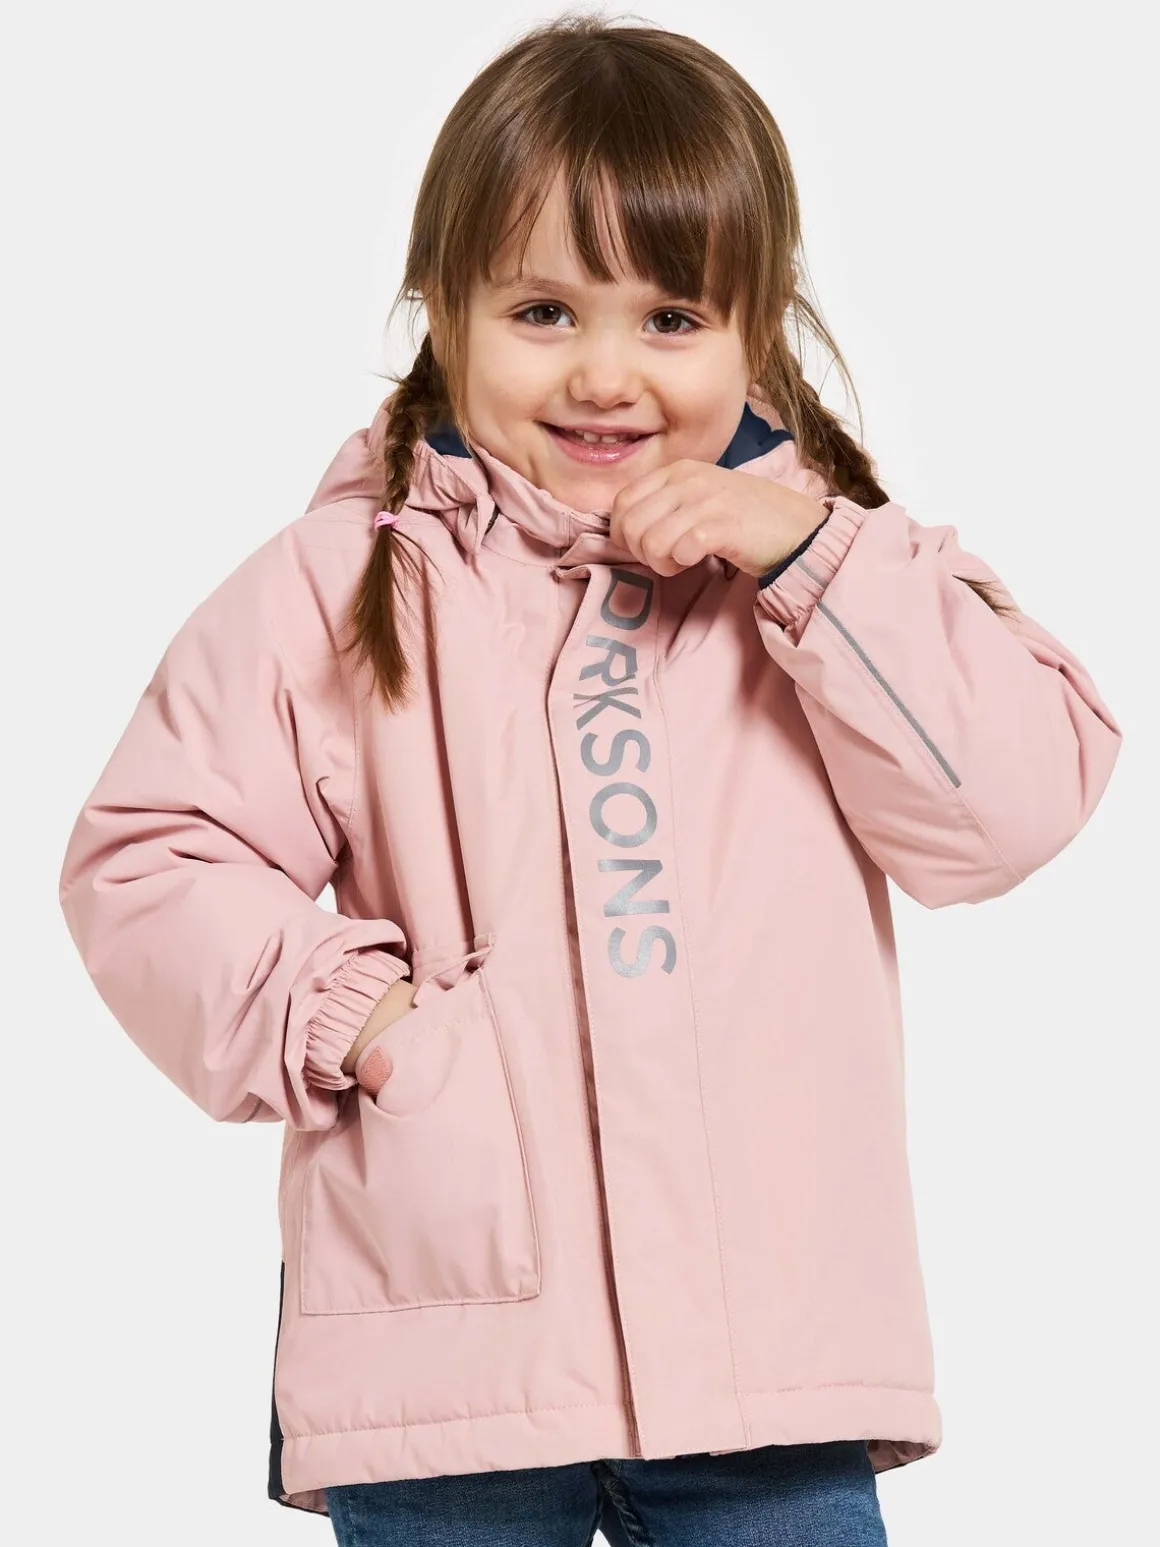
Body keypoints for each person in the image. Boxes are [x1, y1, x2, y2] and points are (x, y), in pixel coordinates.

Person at [56, 12, 1123, 1546]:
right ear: (444, 309)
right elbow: (151, 858)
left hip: (770, 1367)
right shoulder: (345, 582)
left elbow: (1010, 805)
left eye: (671, 316)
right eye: (544, 310)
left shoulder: (839, 576)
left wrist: (811, 560)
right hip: (448, 1357)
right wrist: (359, 1019)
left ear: (758, 326)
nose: (606, 373)